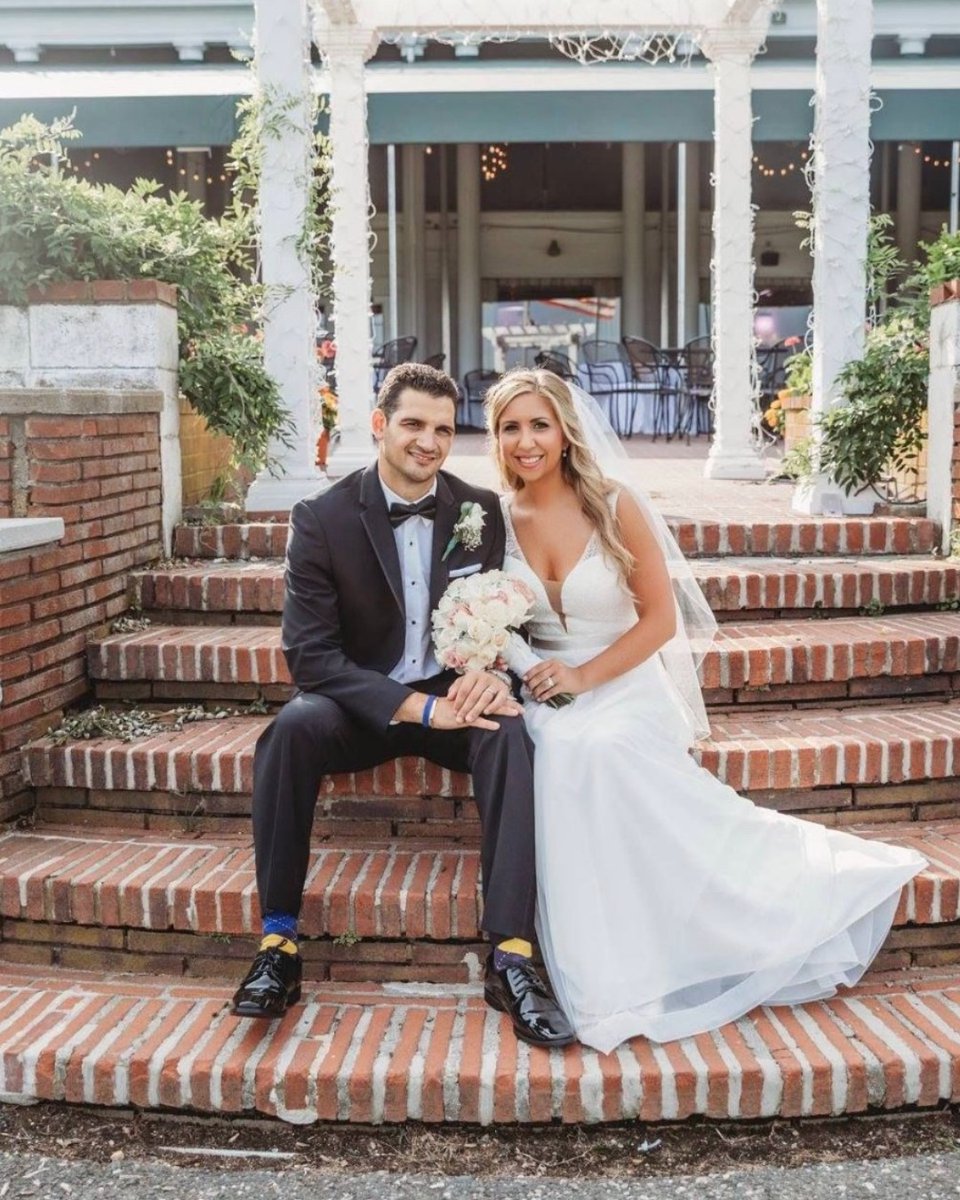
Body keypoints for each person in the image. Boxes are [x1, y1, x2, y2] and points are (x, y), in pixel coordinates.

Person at [484, 366, 926, 1053]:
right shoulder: (495, 519)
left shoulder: (613, 501)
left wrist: (583, 673)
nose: (526, 440)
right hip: (553, 691)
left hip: (624, 681)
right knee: (558, 749)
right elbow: (492, 619)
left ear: (566, 432)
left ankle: (746, 916)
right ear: (496, 438)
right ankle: (606, 964)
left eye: (539, 424)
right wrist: (528, 668)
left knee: (596, 749)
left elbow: (660, 622)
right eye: (511, 427)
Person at [231, 362, 575, 1049]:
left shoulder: (478, 510)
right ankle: (278, 944)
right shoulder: (322, 518)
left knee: (510, 731)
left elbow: (501, 620)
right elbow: (310, 657)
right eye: (414, 424)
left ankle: (512, 956)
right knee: (290, 730)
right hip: (362, 703)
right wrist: (416, 710)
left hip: (454, 689)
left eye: (444, 429)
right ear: (381, 426)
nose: (429, 442)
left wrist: (486, 679)